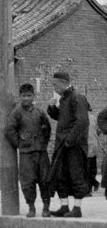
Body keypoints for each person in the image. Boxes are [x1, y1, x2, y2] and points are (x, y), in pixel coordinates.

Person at [4, 83, 52, 217]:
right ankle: (31, 207)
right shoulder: (17, 113)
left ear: (33, 96)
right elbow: (9, 130)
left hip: (41, 152)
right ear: (20, 97)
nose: (26, 99)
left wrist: (43, 143)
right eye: (24, 96)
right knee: (27, 181)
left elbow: (47, 128)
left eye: (29, 95)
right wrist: (19, 143)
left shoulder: (40, 112)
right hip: (26, 154)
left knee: (45, 180)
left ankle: (46, 207)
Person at [46, 72, 90, 218]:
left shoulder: (77, 98)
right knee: (60, 176)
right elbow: (62, 117)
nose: (53, 87)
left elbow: (82, 121)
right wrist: (52, 108)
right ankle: (64, 206)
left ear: (63, 82)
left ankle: (77, 208)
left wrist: (69, 140)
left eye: (55, 84)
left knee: (76, 175)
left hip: (74, 145)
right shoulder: (65, 99)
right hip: (63, 145)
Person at [86, 103, 100, 194]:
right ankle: (94, 183)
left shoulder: (81, 118)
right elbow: (98, 130)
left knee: (87, 168)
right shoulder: (94, 118)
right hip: (93, 145)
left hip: (88, 146)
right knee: (92, 168)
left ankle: (89, 189)